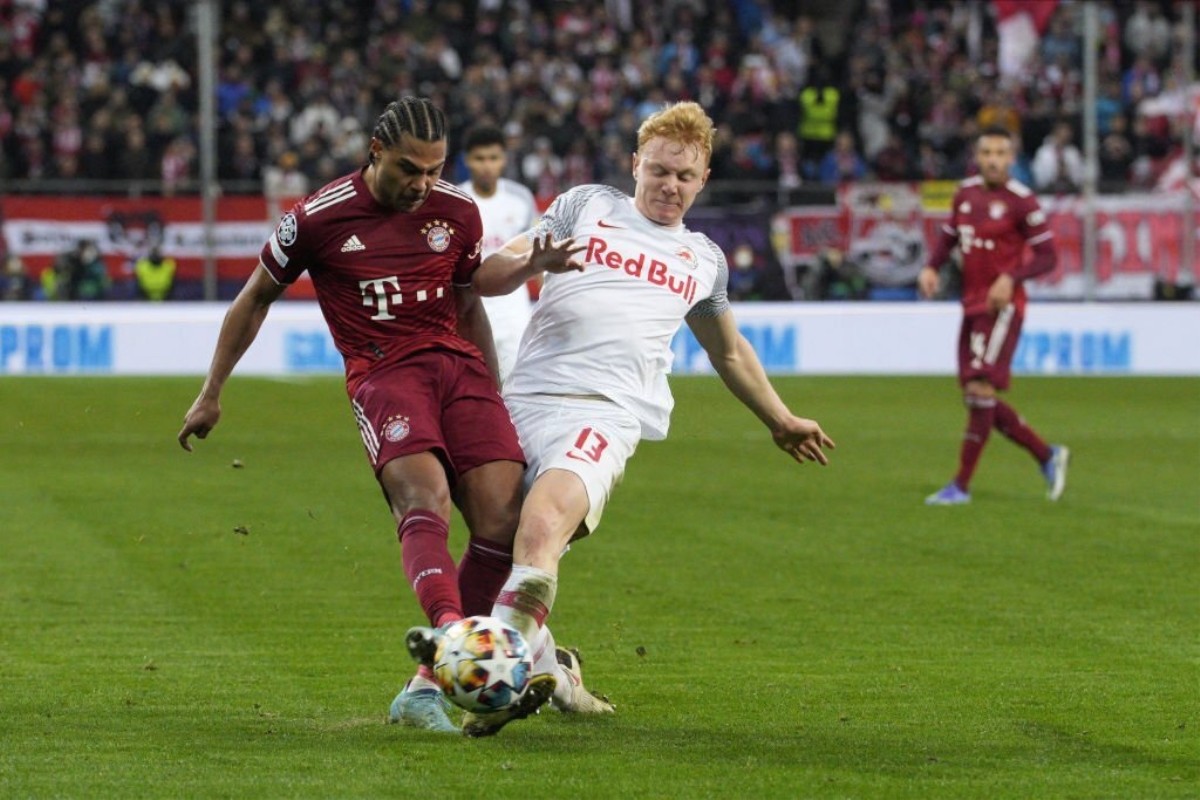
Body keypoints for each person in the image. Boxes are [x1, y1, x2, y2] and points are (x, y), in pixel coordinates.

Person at [405, 101, 835, 737]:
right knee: (495, 541)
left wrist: (778, 418)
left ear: (704, 179)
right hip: (523, 399)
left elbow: (729, 350)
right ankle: (557, 670)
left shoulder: (703, 260)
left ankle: (495, 683)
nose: (670, 186)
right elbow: (489, 274)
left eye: (685, 177)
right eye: (659, 170)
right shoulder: (585, 207)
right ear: (635, 164)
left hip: (605, 414)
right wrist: (530, 264)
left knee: (541, 528)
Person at [177, 97, 585, 736]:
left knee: (502, 525)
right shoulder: (316, 218)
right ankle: (453, 636)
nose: (423, 185)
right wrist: (212, 391)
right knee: (425, 502)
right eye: (409, 170)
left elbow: (469, 298)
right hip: (385, 374)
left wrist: (494, 381)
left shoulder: (456, 210)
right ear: (374, 152)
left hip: (462, 372)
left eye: (433, 170)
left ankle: (424, 690)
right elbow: (254, 298)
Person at [918, 126, 1069, 506]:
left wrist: (1011, 277)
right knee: (975, 397)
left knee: (981, 389)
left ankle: (961, 487)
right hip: (971, 304)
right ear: (977, 156)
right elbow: (950, 236)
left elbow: (1049, 257)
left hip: (1002, 308)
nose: (994, 160)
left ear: (1012, 158)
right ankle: (1046, 455)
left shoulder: (1022, 201)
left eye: (1001, 153)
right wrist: (932, 267)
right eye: (987, 152)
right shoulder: (965, 194)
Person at [457, 125, 540, 383]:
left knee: (517, 389)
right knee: (472, 388)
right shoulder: (457, 200)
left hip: (514, 309)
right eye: (479, 158)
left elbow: (536, 254)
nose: (487, 166)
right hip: (471, 308)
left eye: (493, 158)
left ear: (503, 159)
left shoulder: (520, 198)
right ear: (467, 160)